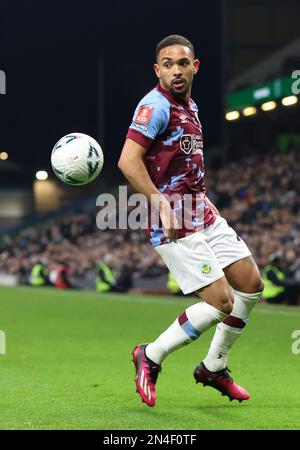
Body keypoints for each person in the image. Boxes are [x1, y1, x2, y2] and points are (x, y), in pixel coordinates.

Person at [118, 35, 264, 407]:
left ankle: (214, 365)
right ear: (158, 70)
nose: (176, 70)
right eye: (167, 64)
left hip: (202, 211)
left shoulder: (191, 106)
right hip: (173, 219)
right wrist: (162, 205)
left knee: (250, 285)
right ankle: (149, 356)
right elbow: (128, 161)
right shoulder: (155, 105)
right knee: (221, 302)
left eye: (182, 63)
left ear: (194, 67)